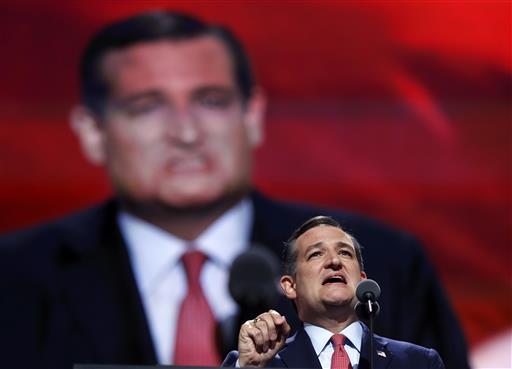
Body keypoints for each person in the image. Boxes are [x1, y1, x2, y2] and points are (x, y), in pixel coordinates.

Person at [0, 10, 469, 369]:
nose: (186, 134)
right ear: (92, 131)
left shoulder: (388, 265)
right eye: (147, 106)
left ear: (252, 115)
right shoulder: (14, 279)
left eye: (210, 101)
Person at [223, 216, 445, 369]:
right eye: (316, 254)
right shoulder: (260, 363)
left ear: (361, 280)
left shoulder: (418, 362)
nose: (335, 261)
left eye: (345, 253)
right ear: (290, 286)